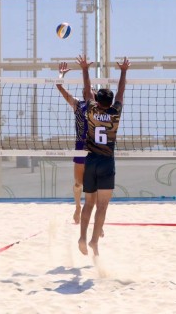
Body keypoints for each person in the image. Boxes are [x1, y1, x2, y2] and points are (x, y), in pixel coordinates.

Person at [77, 54, 130, 256]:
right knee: (102, 206)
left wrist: (84, 69)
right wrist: (124, 71)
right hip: (107, 163)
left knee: (88, 203)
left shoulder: (90, 109)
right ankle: (93, 241)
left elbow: (87, 91)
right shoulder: (115, 113)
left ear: (97, 101)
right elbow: (121, 93)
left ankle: (82, 236)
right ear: (109, 102)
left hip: (90, 161)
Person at [56, 62, 90, 224]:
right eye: (85, 90)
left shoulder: (98, 107)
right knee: (78, 183)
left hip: (95, 149)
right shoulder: (78, 105)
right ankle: (77, 207)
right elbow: (59, 87)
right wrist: (61, 75)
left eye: (90, 90)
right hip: (80, 147)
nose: (87, 91)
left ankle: (89, 212)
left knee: (93, 186)